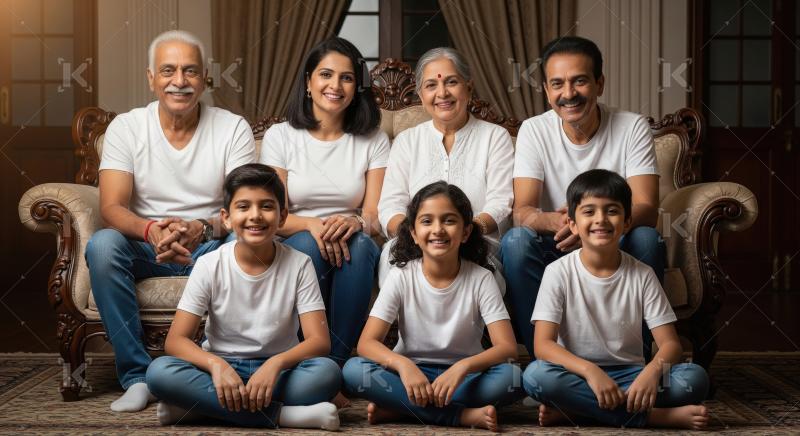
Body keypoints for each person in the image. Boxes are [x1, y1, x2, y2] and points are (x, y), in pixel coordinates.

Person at [84, 30, 255, 412]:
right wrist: (151, 229)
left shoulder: (232, 127)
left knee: (249, 244)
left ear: (206, 77)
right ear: (151, 77)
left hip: (212, 243)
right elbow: (112, 206)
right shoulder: (127, 127)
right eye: (168, 70)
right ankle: (138, 377)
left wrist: (203, 228)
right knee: (102, 245)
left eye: (190, 71)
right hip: (148, 245)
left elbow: (244, 206)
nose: (179, 81)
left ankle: (224, 363)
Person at [501, 36, 664, 357]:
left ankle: (635, 364)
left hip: (614, 241)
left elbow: (646, 208)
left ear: (599, 84)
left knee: (647, 239)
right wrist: (569, 223)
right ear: (547, 90)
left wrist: (594, 227)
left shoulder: (632, 127)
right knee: (515, 242)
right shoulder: (534, 130)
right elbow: (522, 211)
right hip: (558, 241)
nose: (569, 94)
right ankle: (544, 364)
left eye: (579, 81)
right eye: (557, 84)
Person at [146, 164, 341, 430]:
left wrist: (276, 363)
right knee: (159, 373)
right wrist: (216, 366)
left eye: (266, 206)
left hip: (278, 371)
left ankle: (200, 409)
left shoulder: (300, 264)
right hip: (220, 367)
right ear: (226, 218)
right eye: (243, 207)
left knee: (327, 374)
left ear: (283, 216)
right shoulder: (209, 264)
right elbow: (176, 340)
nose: (255, 216)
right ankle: (284, 416)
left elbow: (319, 341)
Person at [522, 169, 709, 430]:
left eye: (612, 211)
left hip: (631, 376)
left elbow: (671, 346)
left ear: (627, 221)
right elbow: (543, 345)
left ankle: (580, 413)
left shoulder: (642, 275)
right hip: (577, 375)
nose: (601, 219)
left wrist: (652, 373)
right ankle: (656, 417)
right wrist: (591, 372)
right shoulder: (558, 272)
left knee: (695, 378)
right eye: (589, 212)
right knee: (535, 377)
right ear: (573, 224)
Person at [344, 182, 524, 431]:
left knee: (513, 380)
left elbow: (507, 348)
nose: (438, 230)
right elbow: (367, 344)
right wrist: (403, 365)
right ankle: (459, 416)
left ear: (466, 232)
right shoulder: (401, 276)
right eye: (427, 221)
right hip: (410, 376)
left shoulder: (482, 277)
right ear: (414, 234)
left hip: (463, 378)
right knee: (354, 371)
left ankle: (404, 410)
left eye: (449, 221)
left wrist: (463, 367)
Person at [259, 37, 387, 373]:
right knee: (307, 247)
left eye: (346, 78)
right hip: (295, 237)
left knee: (359, 246)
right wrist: (314, 226)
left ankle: (337, 366)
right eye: (326, 75)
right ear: (308, 82)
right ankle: (308, 360)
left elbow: (375, 213)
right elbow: (275, 215)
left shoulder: (373, 138)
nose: (335, 85)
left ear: (356, 86)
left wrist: (357, 223)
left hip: (351, 239)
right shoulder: (280, 136)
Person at [377, 47, 514, 290]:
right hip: (416, 243)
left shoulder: (494, 137)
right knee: (393, 258)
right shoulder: (408, 141)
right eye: (431, 85)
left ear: (468, 88)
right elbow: (390, 205)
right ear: (420, 94)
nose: (442, 93)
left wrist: (463, 234)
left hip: (476, 242)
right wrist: (420, 237)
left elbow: (501, 202)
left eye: (452, 82)